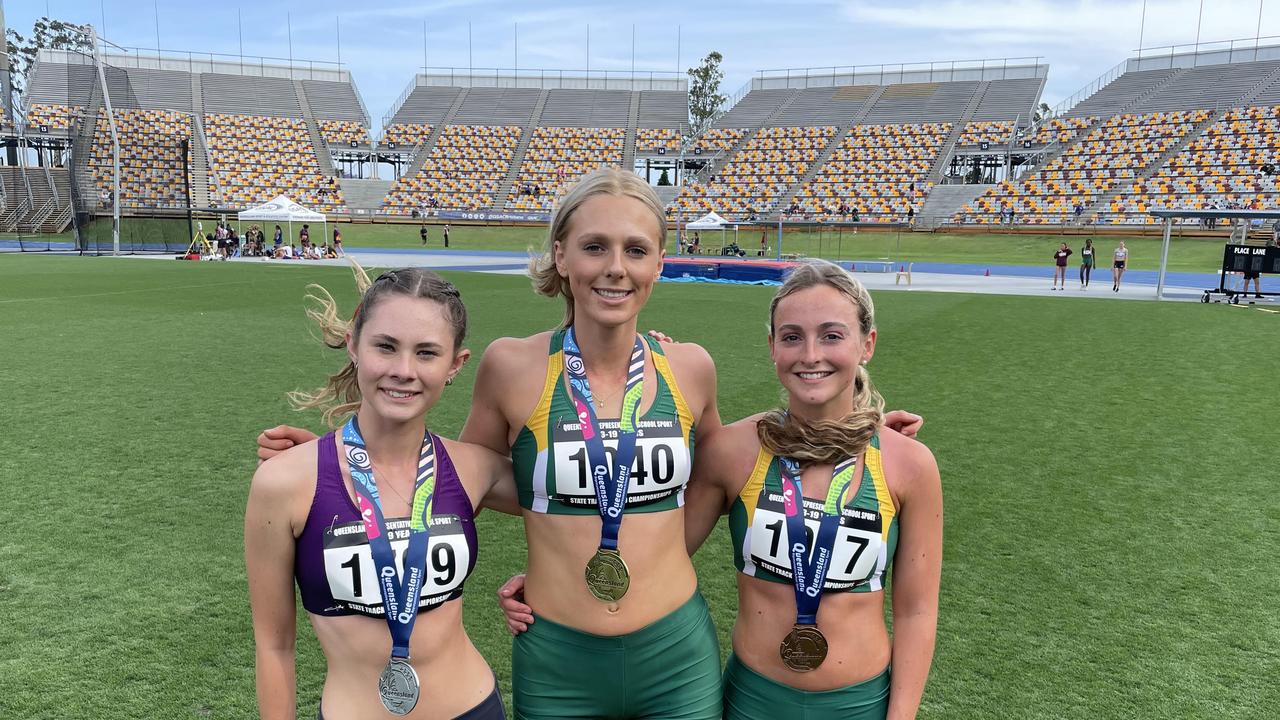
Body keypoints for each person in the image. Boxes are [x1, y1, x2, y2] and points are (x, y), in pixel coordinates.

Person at [504, 261, 940, 720]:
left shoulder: (909, 465)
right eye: (792, 337)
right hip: (750, 702)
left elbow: (916, 611)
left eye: (832, 335)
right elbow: (658, 543)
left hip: (860, 704)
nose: (811, 354)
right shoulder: (733, 451)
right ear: (772, 347)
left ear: (866, 344)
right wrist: (556, 581)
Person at [245, 266, 513, 720]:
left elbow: (579, 503)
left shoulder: (474, 468)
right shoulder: (284, 484)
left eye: (426, 353)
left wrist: (649, 358)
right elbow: (274, 646)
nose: (403, 370)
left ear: (455, 365)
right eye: (385, 346)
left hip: (473, 707)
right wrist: (323, 462)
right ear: (354, 344)